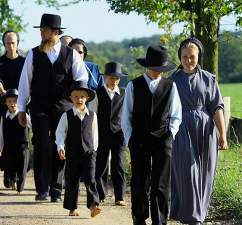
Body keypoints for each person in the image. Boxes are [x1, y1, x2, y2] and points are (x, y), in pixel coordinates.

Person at [17, 13, 88, 202]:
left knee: (59, 145)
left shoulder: (71, 54)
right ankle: (41, 189)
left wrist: (78, 100)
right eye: (41, 31)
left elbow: (82, 78)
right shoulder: (33, 53)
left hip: (63, 105)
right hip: (39, 104)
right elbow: (25, 82)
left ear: (56, 32)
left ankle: (56, 189)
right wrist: (22, 108)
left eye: (45, 31)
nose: (42, 34)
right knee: (41, 142)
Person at [168, 38, 228, 225]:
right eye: (184, 57)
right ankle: (191, 216)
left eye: (192, 57)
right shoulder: (171, 81)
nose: (188, 61)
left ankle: (198, 214)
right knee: (188, 171)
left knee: (205, 172)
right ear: (180, 57)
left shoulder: (209, 79)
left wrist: (222, 135)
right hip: (181, 129)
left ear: (198, 56)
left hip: (205, 130)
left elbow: (217, 108)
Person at [121, 45, 182, 225]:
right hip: (138, 140)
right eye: (155, 70)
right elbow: (127, 116)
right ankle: (139, 219)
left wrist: (170, 135)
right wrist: (130, 139)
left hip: (163, 139)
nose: (158, 73)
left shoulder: (171, 86)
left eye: (161, 70)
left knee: (161, 184)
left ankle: (160, 222)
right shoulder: (133, 85)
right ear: (146, 66)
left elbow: (176, 115)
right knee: (140, 184)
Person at [55, 80, 102, 217]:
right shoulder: (66, 115)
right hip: (73, 153)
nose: (79, 99)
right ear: (71, 98)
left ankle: (93, 206)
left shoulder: (92, 115)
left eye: (82, 97)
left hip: (89, 153)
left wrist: (93, 151)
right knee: (72, 181)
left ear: (87, 99)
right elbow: (60, 133)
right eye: (76, 96)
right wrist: (61, 147)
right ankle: (72, 208)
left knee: (91, 179)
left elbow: (95, 135)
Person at [89, 62, 127, 206]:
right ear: (105, 77)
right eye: (111, 78)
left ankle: (120, 197)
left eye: (117, 79)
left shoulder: (124, 93)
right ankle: (101, 194)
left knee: (118, 163)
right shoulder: (97, 93)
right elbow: (93, 116)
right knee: (101, 164)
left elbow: (128, 113)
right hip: (101, 133)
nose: (114, 81)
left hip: (119, 134)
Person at [0, 30, 25, 188]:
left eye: (13, 42)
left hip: (20, 106)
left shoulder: (25, 62)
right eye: (7, 43)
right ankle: (8, 174)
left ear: (17, 42)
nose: (11, 46)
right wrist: (2, 91)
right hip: (2, 106)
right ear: (4, 44)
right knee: (4, 139)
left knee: (19, 141)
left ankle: (18, 174)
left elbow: (29, 81)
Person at [0, 89, 31, 194]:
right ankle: (12, 180)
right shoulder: (3, 117)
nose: (13, 103)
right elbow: (1, 133)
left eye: (15, 100)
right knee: (10, 166)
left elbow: (33, 126)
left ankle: (21, 188)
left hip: (22, 147)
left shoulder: (25, 115)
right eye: (10, 101)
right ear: (5, 103)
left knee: (22, 168)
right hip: (9, 147)